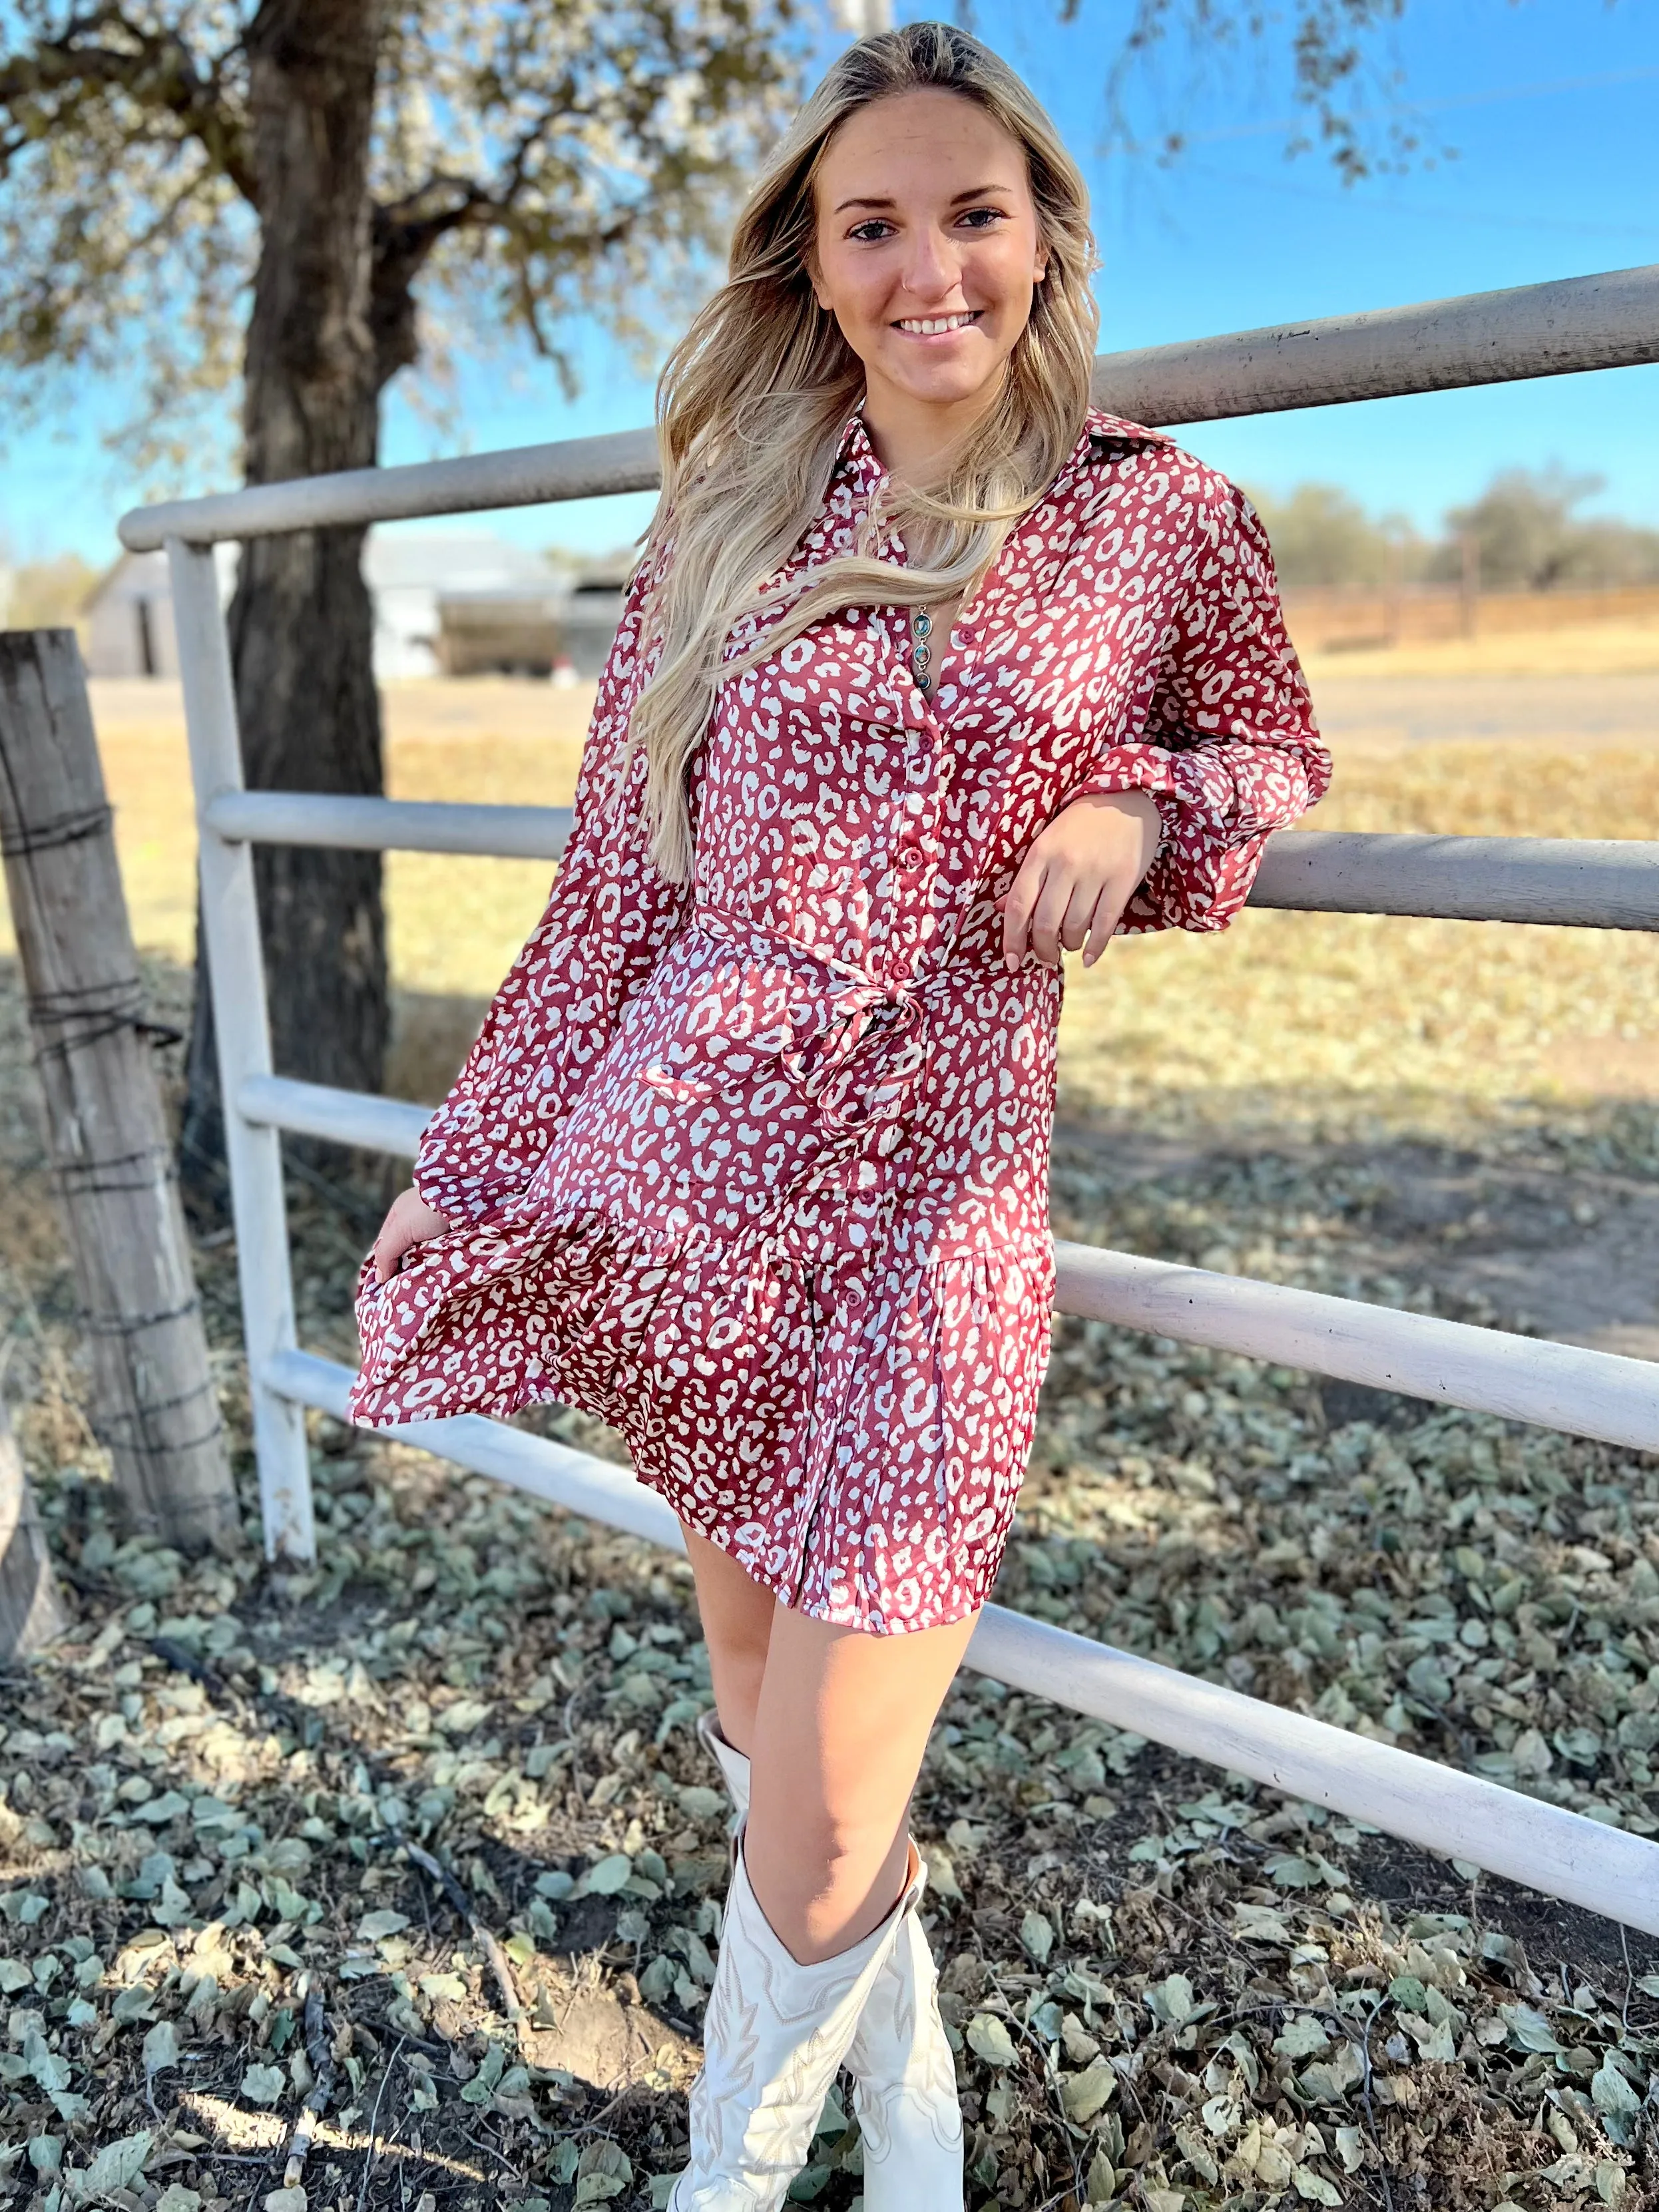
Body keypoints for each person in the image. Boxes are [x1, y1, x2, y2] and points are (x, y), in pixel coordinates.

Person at [350, 21, 1329, 2209]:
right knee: (754, 1704)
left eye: (969, 213)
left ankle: (727, 2181)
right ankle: (915, 2133)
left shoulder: (1154, 517)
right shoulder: (727, 523)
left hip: (938, 1212)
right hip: (692, 1180)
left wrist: (1138, 791)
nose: (927, 269)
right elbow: (611, 891)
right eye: (869, 223)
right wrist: (464, 1165)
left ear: (1042, 238)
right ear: (809, 262)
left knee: (809, 1821)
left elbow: (1269, 753)